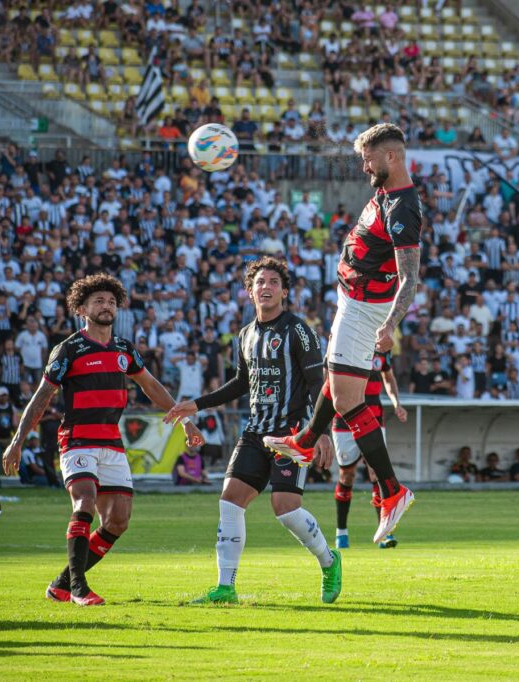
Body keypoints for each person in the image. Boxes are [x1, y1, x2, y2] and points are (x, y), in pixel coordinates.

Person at [2, 274, 203, 607]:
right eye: (98, 301)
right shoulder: (68, 349)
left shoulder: (124, 349)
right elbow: (42, 396)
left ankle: (61, 584)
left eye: (111, 301)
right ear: (82, 308)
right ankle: (79, 588)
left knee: (118, 521)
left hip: (112, 442)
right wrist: (18, 440)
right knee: (84, 504)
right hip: (78, 440)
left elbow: (151, 386)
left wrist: (186, 422)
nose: (106, 306)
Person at [266, 123, 422, 544]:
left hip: (365, 309)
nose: (364, 166)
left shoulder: (403, 207)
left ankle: (392, 491)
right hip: (351, 301)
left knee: (350, 401)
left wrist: (389, 323)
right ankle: (304, 441)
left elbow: (410, 278)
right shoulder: (385, 193)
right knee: (336, 383)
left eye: (369, 159)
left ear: (391, 157)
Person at [165, 256, 342, 605]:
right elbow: (240, 384)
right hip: (255, 432)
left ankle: (329, 560)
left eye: (274, 282)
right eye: (260, 282)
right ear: (250, 291)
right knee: (230, 500)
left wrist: (321, 432)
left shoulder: (299, 331)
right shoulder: (245, 335)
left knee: (286, 507)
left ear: (284, 292)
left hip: (292, 434)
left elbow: (318, 384)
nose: (267, 287)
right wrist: (196, 404)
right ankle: (225, 587)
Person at [332, 351, 407, 550]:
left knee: (377, 473)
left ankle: (385, 533)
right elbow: (328, 383)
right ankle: (341, 532)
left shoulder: (382, 351)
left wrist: (396, 403)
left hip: (374, 418)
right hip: (344, 421)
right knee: (347, 475)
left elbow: (388, 379)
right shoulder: (345, 344)